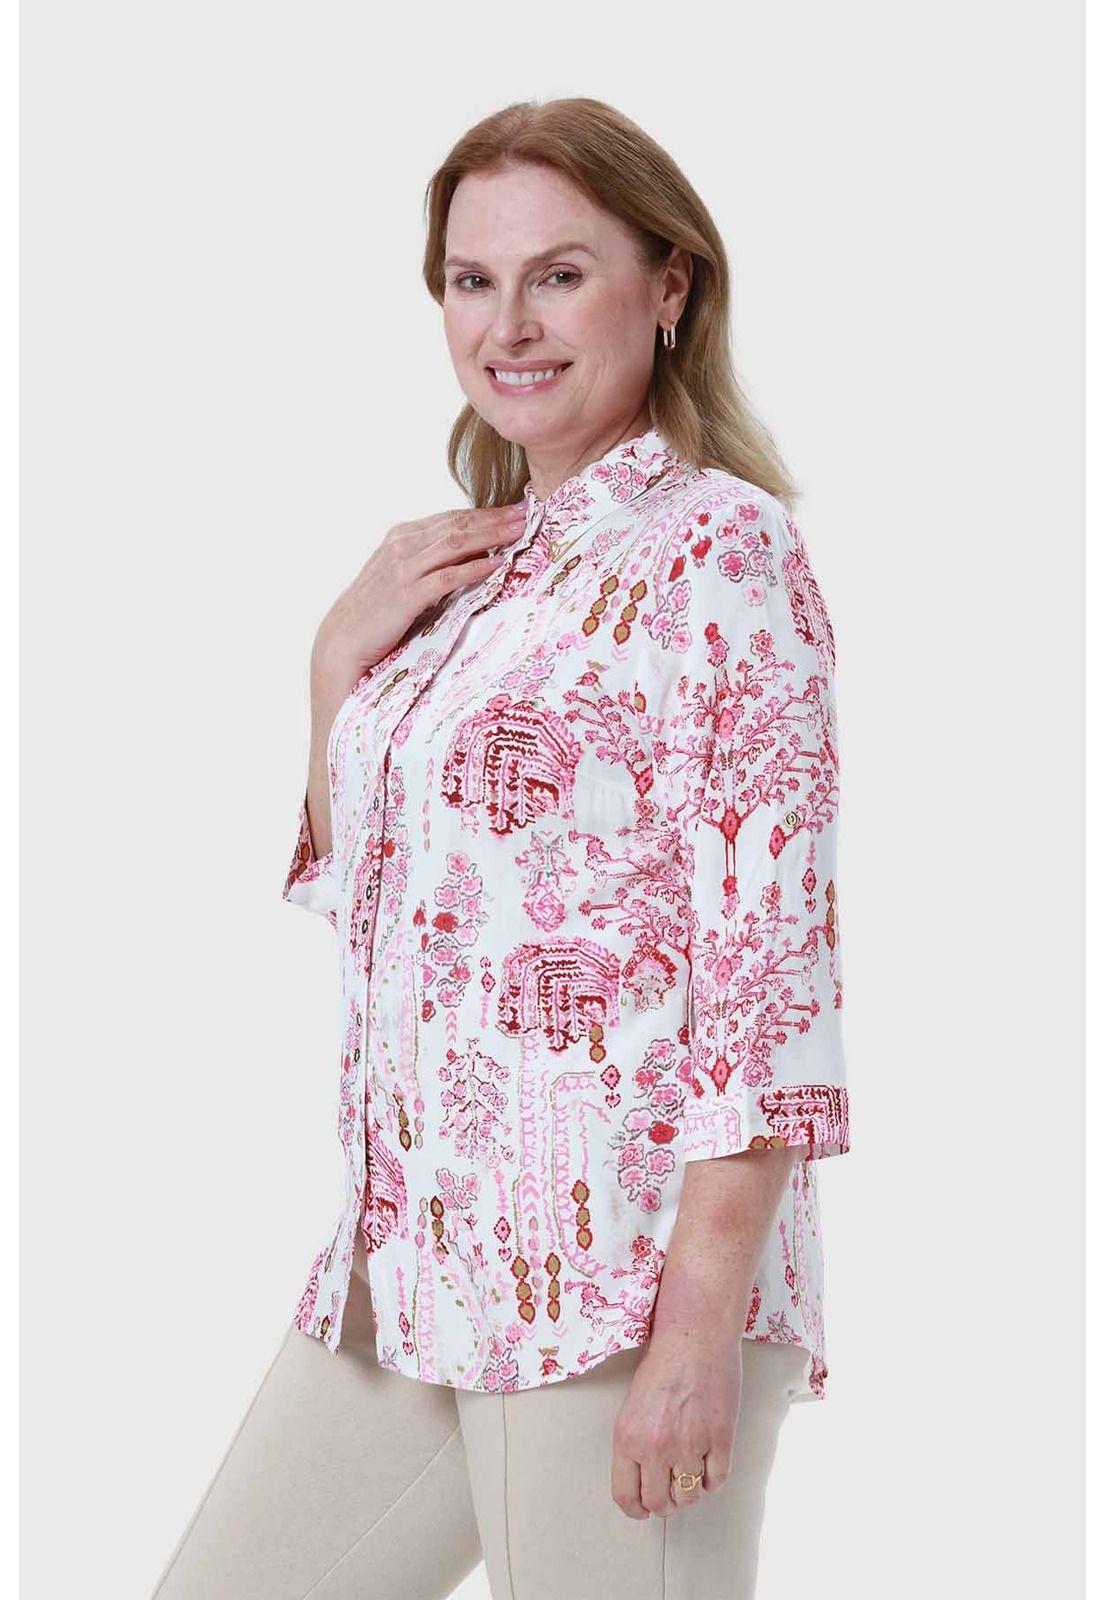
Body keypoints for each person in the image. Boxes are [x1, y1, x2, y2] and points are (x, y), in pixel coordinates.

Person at [150, 95, 850, 1600]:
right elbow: (380, 897)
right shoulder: (468, 567)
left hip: (616, 1275)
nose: (508, 324)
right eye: (473, 280)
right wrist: (335, 661)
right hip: (411, 1267)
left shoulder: (719, 550)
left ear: (668, 287)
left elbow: (770, 967)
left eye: (559, 274)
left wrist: (697, 1323)